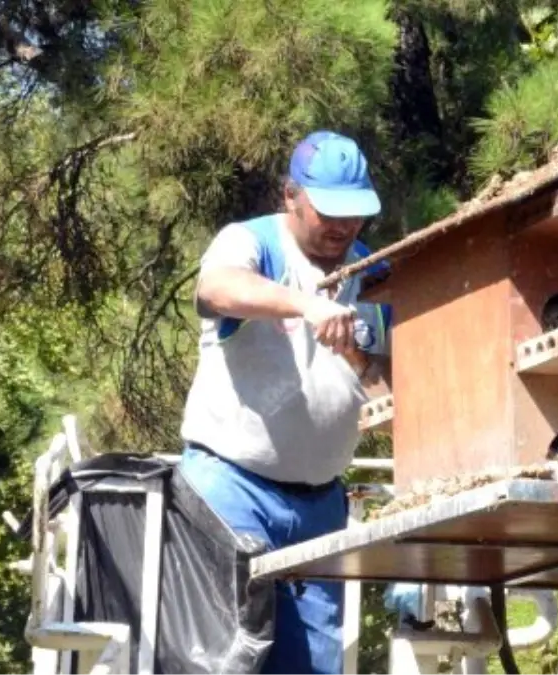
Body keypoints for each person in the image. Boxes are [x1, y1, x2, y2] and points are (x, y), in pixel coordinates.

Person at [177, 130, 391, 674]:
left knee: (316, 666)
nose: (344, 227)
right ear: (290, 196)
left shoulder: (375, 273)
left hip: (321, 505)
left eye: (356, 214)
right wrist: (305, 306)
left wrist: (365, 363)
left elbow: (389, 384)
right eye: (329, 211)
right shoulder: (253, 243)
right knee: (222, 656)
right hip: (231, 488)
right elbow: (215, 290)